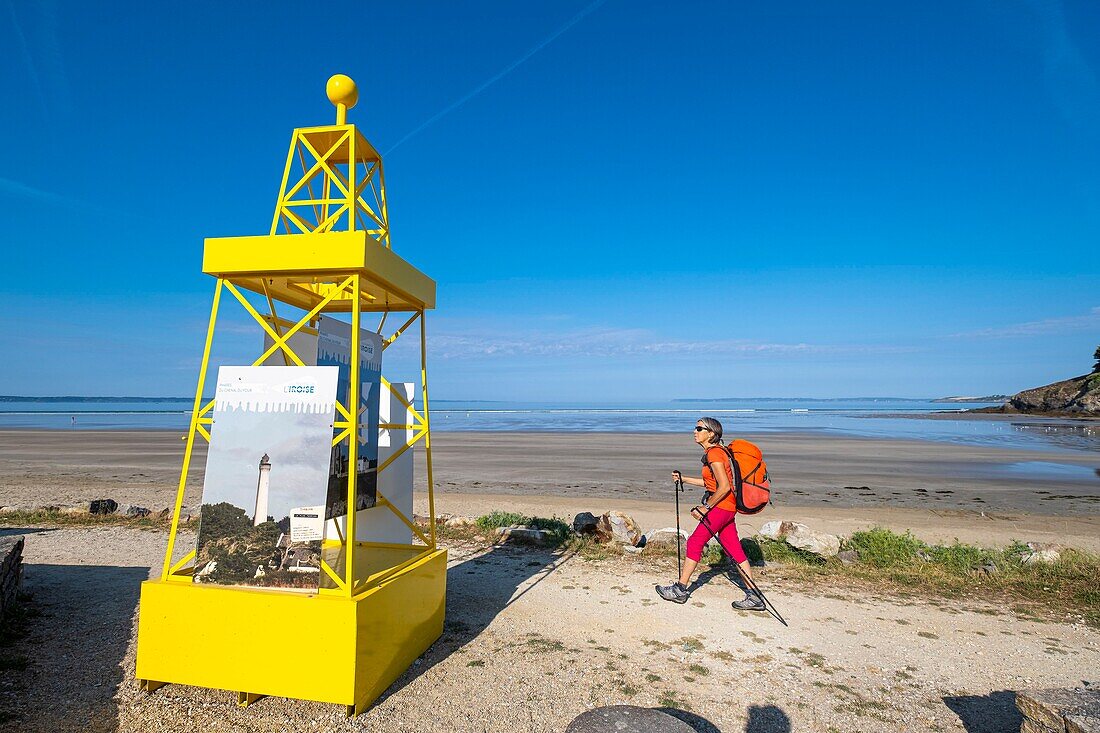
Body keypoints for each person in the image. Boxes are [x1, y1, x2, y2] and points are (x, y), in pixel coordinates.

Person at [656, 417, 765, 610]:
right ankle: (754, 596)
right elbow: (712, 484)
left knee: (695, 541)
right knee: (733, 549)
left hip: (721, 507)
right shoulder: (717, 453)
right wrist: (685, 479)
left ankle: (680, 589)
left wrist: (706, 507)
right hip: (728, 508)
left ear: (711, 434)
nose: (694, 431)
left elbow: (723, 487)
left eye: (699, 428)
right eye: (695, 427)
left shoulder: (714, 454)